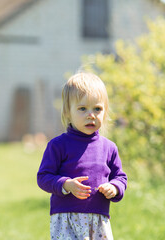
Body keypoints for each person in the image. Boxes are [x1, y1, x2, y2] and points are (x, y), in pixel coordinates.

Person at [37, 72, 127, 240]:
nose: (91, 115)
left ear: (105, 112)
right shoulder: (58, 145)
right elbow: (43, 177)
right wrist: (65, 184)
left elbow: (121, 177)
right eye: (82, 108)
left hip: (98, 220)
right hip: (66, 218)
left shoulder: (109, 148)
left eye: (97, 109)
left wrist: (114, 187)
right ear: (68, 112)